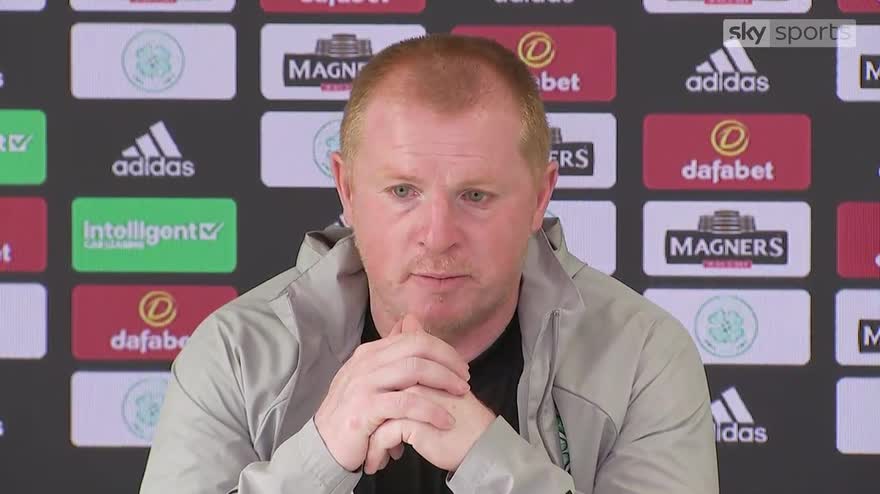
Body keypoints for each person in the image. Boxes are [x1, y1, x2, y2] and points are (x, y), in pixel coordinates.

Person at [139, 34, 719, 494]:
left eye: (476, 196)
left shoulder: (641, 355)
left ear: (540, 198)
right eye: (402, 192)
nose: (438, 236)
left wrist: (488, 460)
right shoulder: (238, 352)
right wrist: (320, 457)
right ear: (347, 189)